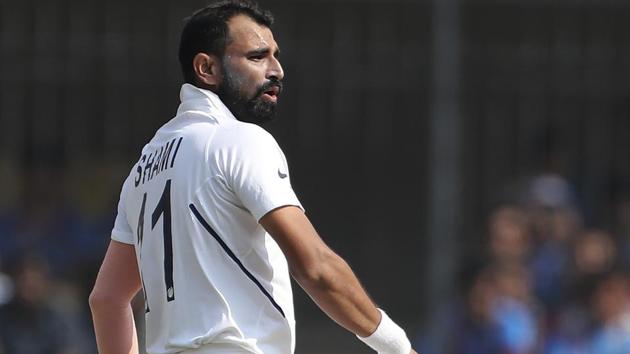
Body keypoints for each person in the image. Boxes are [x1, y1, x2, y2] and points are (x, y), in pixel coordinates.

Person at [89, 1, 417, 353]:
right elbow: (315, 266)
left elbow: (107, 299)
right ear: (207, 68)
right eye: (257, 57)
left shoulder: (145, 167)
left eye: (275, 55)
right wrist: (396, 345)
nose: (277, 70)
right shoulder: (239, 141)